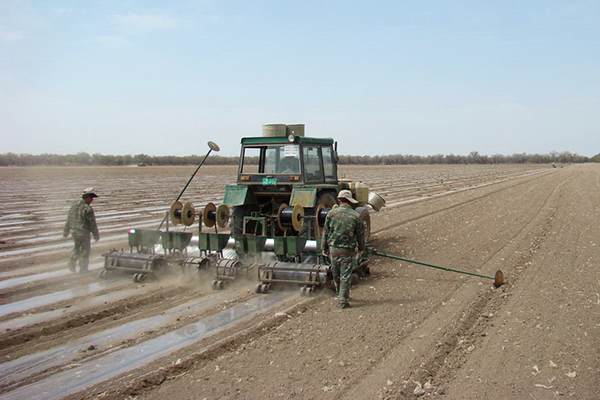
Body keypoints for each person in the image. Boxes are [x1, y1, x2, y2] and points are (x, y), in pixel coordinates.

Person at [322, 189, 365, 309]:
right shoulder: (356, 216)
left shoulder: (331, 214)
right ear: (350, 202)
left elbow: (326, 232)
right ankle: (343, 301)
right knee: (345, 276)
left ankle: (339, 294)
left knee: (336, 274)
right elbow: (360, 235)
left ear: (339, 200)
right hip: (348, 251)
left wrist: (324, 247)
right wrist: (361, 248)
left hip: (334, 250)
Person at [63, 188, 100, 273]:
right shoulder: (88, 209)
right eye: (91, 198)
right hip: (83, 232)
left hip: (74, 231)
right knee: (85, 251)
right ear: (87, 197)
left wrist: (66, 231)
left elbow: (69, 219)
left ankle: (72, 261)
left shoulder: (74, 206)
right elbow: (92, 223)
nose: (92, 200)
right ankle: (83, 269)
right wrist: (96, 235)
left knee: (76, 248)